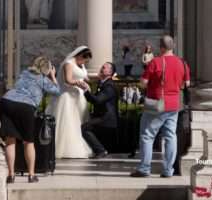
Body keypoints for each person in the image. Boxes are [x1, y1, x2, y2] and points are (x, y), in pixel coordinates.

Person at [130, 35, 190, 178]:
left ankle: (144, 169)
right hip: (174, 103)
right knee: (170, 136)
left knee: (147, 136)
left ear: (161, 47)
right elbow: (185, 84)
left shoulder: (155, 62)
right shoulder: (182, 63)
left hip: (158, 103)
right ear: (173, 46)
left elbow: (143, 82)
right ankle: (168, 170)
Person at [0, 56, 60, 183]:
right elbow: (57, 91)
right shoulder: (43, 79)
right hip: (25, 106)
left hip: (7, 101)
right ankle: (31, 175)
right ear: (47, 69)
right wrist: (53, 76)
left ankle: (11, 175)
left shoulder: (24, 73)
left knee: (10, 140)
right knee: (28, 142)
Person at [46, 46, 93, 158]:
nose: (84, 62)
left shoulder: (81, 64)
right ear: (79, 55)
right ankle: (65, 148)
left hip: (79, 96)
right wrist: (78, 83)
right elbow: (68, 80)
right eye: (84, 59)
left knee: (79, 122)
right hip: (68, 97)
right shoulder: (69, 63)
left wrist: (89, 81)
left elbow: (84, 76)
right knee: (69, 122)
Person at [81, 62, 119, 158]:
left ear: (110, 72)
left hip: (106, 118)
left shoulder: (109, 85)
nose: (101, 68)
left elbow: (98, 100)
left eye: (104, 68)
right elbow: (94, 100)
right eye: (102, 67)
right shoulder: (102, 83)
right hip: (101, 116)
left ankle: (101, 150)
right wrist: (87, 91)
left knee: (85, 127)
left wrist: (86, 90)